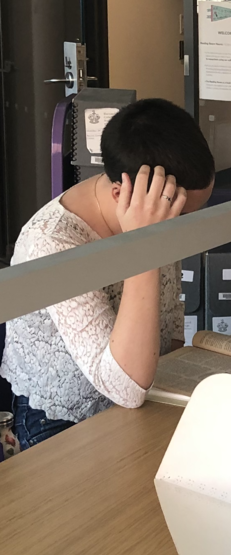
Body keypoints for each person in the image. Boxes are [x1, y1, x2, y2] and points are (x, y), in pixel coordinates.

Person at [0, 99, 214, 449]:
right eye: (183, 215)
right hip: (62, 424)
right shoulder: (53, 243)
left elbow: (168, 324)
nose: (186, 228)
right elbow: (125, 389)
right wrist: (143, 247)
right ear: (121, 194)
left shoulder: (156, 210)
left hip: (143, 396)